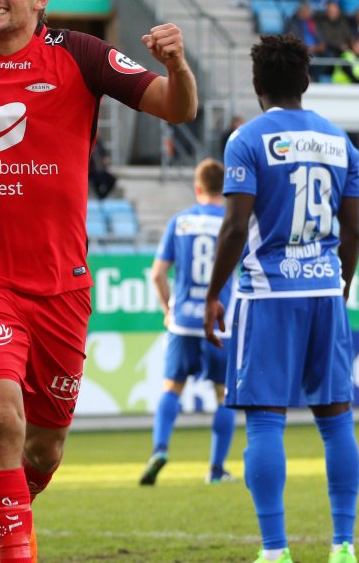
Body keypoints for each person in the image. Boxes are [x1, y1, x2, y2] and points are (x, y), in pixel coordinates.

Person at [0, 0, 196, 561]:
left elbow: (176, 109)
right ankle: (17, 554)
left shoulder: (79, 55)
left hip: (62, 286)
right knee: (1, 417)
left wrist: (179, 65)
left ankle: (12, 512)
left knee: (45, 447)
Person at [203, 34, 359, 563]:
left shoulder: (246, 139)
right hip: (324, 288)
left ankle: (275, 550)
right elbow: (354, 230)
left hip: (268, 292)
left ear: (256, 86)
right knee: (337, 419)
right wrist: (342, 284)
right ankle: (343, 546)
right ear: (307, 82)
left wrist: (211, 294)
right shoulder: (341, 141)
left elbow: (233, 227)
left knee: (266, 419)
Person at [142, 158, 235, 488]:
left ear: (197, 188)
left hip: (182, 322)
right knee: (223, 395)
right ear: (224, 189)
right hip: (221, 322)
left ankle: (160, 449)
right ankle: (216, 469)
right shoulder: (232, 221)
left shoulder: (179, 222)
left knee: (172, 388)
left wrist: (169, 308)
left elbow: (157, 274)